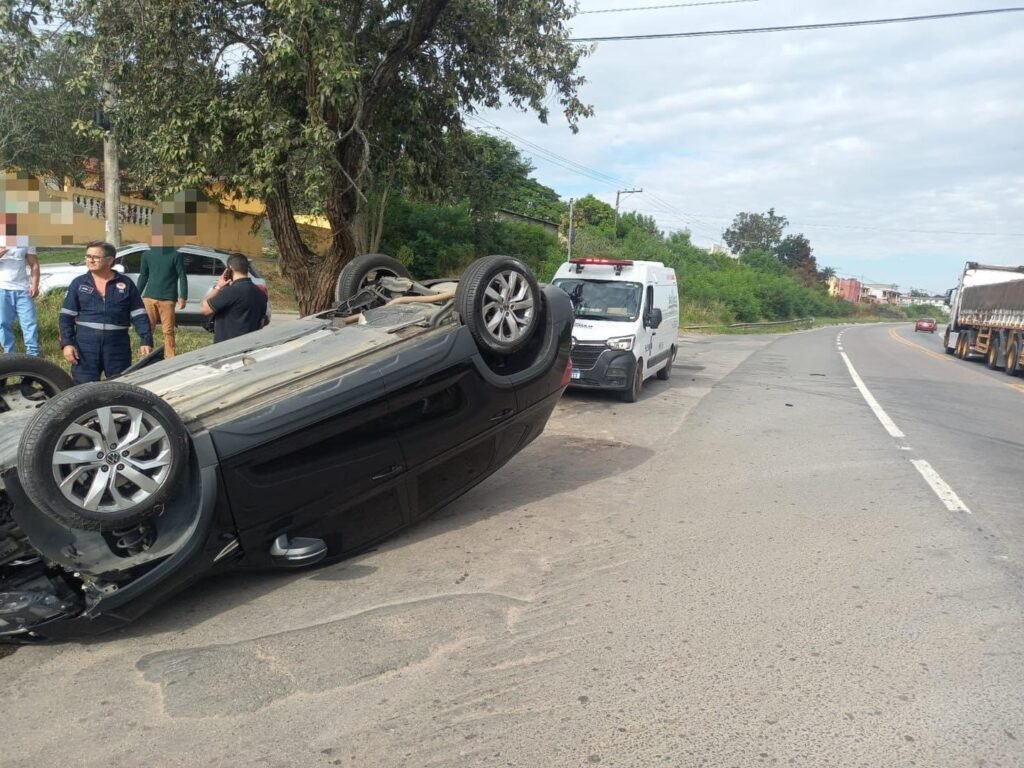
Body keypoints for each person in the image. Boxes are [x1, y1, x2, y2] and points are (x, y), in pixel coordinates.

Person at [60, 241, 153, 384]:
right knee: (84, 389)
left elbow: (139, 314)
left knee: (119, 386)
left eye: (95, 257)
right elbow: (66, 317)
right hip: (85, 345)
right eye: (88, 256)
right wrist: (67, 344)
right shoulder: (78, 283)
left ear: (110, 260)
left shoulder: (126, 284)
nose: (90, 260)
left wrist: (146, 340)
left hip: (117, 345)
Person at [137, 225, 187, 358]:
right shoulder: (147, 255)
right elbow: (143, 276)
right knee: (148, 328)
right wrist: (136, 295)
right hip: (149, 297)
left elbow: (182, 275)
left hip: (168, 298)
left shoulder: (176, 255)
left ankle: (170, 357)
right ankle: (145, 356)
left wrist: (183, 296)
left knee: (168, 330)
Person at [200, 253, 268, 343]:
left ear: (230, 269)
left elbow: (204, 309)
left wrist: (218, 287)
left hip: (227, 346)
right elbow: (262, 323)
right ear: (247, 269)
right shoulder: (260, 293)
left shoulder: (230, 292)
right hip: (250, 345)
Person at [0, 214, 41, 356]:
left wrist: (35, 285)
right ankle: (9, 355)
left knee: (30, 323)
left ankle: (33, 355)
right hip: (2, 289)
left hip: (23, 289)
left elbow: (34, 264)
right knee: (3, 323)